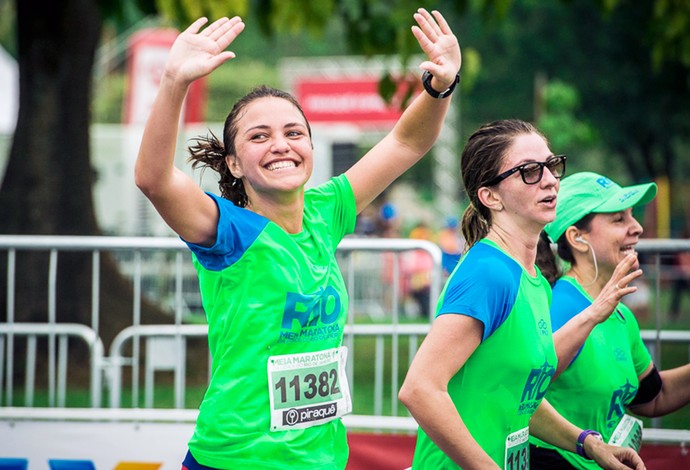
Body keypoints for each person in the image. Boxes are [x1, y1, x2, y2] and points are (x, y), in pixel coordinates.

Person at [134, 8, 462, 470]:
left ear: (309, 146)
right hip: (236, 458)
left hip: (321, 458)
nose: (281, 145)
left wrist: (440, 86)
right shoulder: (228, 230)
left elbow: (407, 143)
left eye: (294, 133)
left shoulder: (326, 211)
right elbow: (153, 179)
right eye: (259, 136)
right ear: (232, 163)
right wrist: (173, 81)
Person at [398, 120, 645, 469]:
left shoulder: (536, 282)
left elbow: (519, 398)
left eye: (551, 165)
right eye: (529, 171)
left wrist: (588, 444)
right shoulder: (489, 273)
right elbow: (420, 389)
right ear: (490, 196)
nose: (549, 180)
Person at [531, 171, 690, 469]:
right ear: (577, 238)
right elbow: (521, 394)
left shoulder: (621, 314)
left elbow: (653, 397)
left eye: (632, 216)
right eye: (619, 219)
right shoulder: (558, 307)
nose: (638, 228)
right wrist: (587, 444)